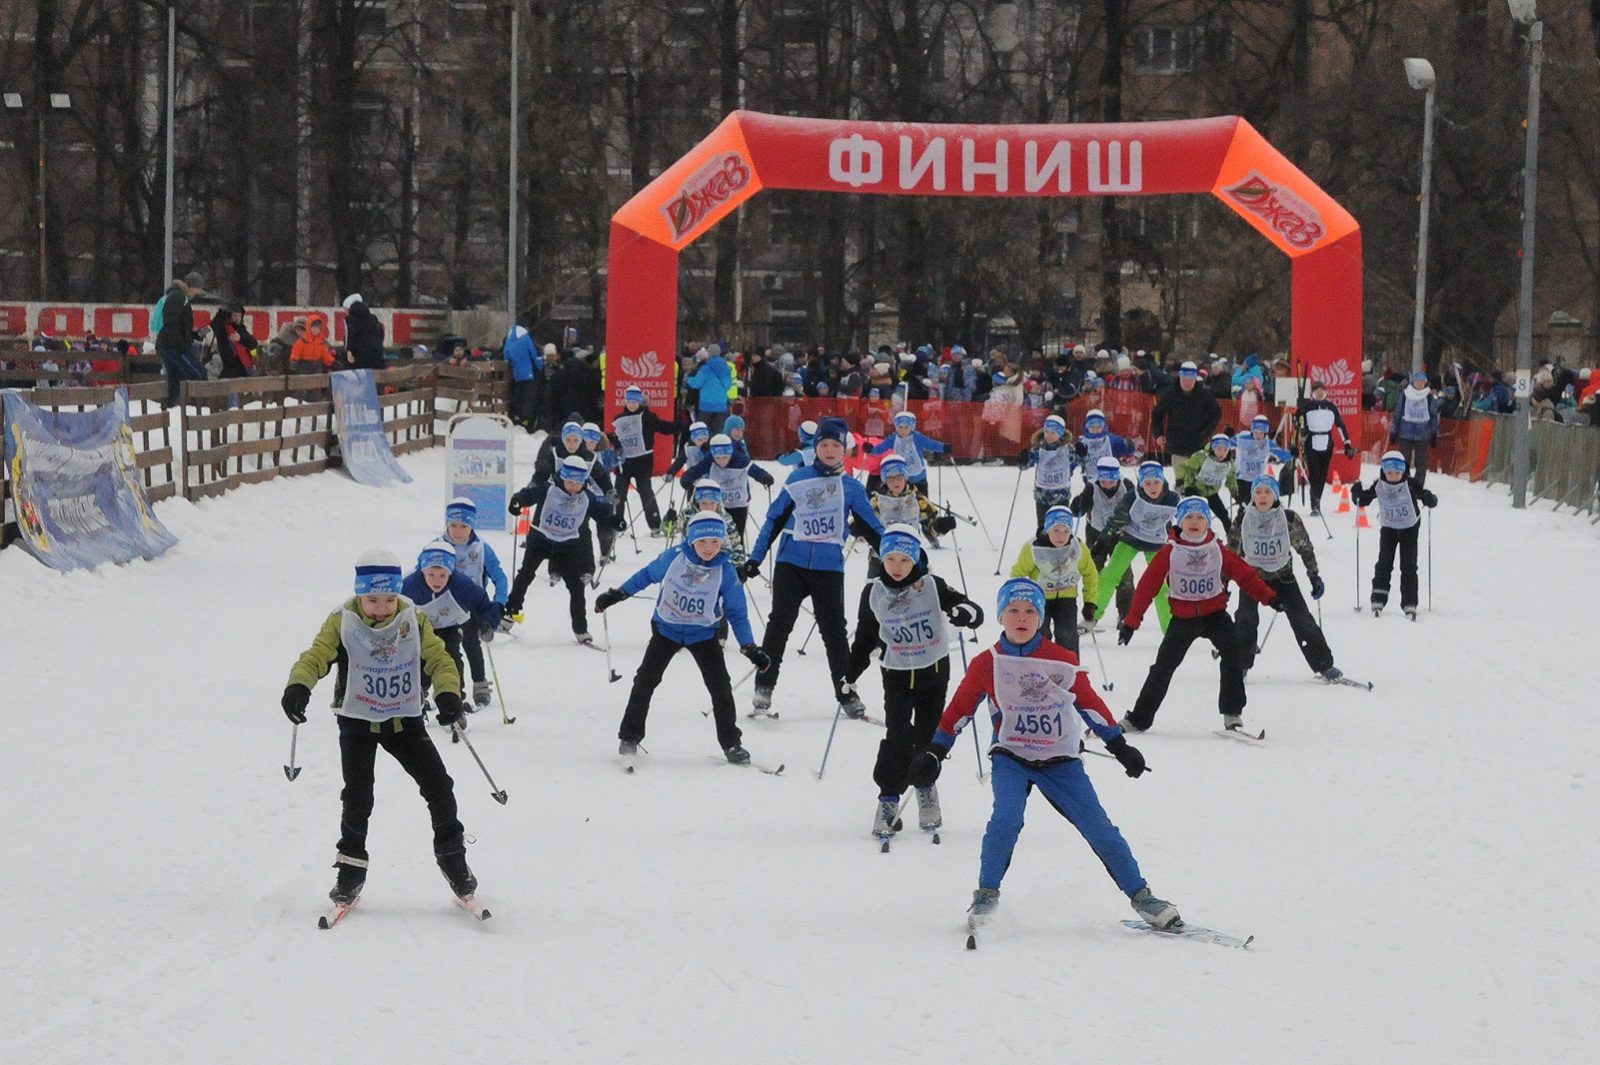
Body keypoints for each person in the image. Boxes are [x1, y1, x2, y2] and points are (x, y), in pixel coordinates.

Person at [906, 577, 1179, 934]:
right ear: (1001, 616)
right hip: (1011, 756)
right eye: (1013, 611)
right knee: (1005, 821)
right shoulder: (988, 663)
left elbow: (1090, 704)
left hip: (1060, 760)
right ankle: (986, 895)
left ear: (1040, 617)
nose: (1021, 618)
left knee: (1099, 828)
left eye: (1029, 611)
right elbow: (959, 709)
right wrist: (935, 751)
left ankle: (1143, 897)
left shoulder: (1061, 661)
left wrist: (1119, 745)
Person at [279, 549, 479, 906]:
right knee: (357, 797)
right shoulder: (342, 619)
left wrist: (449, 693)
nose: (382, 608)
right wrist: (299, 686)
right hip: (356, 721)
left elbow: (439, 659)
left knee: (439, 787)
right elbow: (316, 655)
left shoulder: (413, 617)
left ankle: (454, 862)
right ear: (359, 594)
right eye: (372, 600)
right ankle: (350, 872)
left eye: (389, 599)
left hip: (403, 720)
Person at [845, 525, 982, 845]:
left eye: (904, 560)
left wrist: (965, 613)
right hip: (895, 673)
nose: (897, 566)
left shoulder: (932, 585)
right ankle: (888, 798)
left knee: (928, 738)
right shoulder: (874, 593)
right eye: (890, 559)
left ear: (916, 560)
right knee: (897, 736)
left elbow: (974, 612)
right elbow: (864, 638)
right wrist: (849, 675)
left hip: (933, 671)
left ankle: (924, 787)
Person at [739, 416, 886, 716]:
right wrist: (755, 558)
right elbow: (773, 521)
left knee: (834, 633)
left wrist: (904, 555)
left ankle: (846, 694)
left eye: (836, 445)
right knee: (779, 626)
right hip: (790, 564)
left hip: (828, 568)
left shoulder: (851, 488)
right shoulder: (798, 479)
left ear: (844, 450)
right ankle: (764, 687)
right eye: (824, 445)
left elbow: (875, 529)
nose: (830, 450)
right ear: (816, 447)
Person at [595, 513, 767, 765]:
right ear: (692, 540)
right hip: (667, 630)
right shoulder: (675, 557)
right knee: (645, 681)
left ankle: (732, 744)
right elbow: (646, 575)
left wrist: (749, 646)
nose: (708, 548)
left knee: (720, 688)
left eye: (715, 542)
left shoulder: (726, 571)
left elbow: (738, 613)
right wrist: (618, 594)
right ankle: (629, 737)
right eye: (702, 542)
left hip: (703, 635)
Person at [1116, 497, 1280, 735]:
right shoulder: (1170, 552)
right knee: (1163, 667)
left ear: (1208, 522)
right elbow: (1146, 587)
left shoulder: (1217, 550)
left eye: (1200, 517)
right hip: (1183, 618)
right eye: (1189, 517)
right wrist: (1131, 623)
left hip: (1215, 614)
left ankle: (1232, 713)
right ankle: (1138, 719)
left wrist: (1270, 597)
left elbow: (1245, 575)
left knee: (1233, 653)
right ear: (1180, 522)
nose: (1194, 522)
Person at [1228, 476, 1342, 680]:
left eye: (1267, 492)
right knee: (1245, 619)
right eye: (1258, 492)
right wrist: (1223, 581)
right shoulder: (1243, 520)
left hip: (1283, 577)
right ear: (1253, 496)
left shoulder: (1288, 519)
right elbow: (1230, 553)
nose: (1262, 497)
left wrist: (1313, 575)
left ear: (1275, 495)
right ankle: (1240, 664)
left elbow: (1304, 547)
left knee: (1302, 620)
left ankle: (1324, 664)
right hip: (1252, 578)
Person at [504, 455, 626, 643]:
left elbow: (601, 513)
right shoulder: (549, 489)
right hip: (540, 539)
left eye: (578, 483)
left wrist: (614, 521)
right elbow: (530, 494)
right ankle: (510, 613)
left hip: (566, 546)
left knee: (576, 587)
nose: (573, 487)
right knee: (525, 575)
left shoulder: (587, 498)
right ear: (562, 478)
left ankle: (580, 628)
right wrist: (517, 501)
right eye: (569, 482)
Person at [400, 540, 502, 713]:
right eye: (431, 574)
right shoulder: (410, 585)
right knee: (421, 659)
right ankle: (419, 694)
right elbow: (395, 607)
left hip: (450, 624)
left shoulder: (460, 584)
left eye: (442, 575)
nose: (437, 581)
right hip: (421, 627)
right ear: (423, 571)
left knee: (452, 656)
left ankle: (455, 696)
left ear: (450, 572)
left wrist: (487, 623)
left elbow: (483, 603)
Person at [1093, 461, 1179, 635]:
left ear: (1163, 482)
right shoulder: (1132, 497)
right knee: (1110, 575)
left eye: (1156, 482)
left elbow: (1183, 521)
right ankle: (1092, 615)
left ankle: (1170, 627)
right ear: (1141, 484)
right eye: (1147, 483)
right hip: (1130, 540)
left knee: (1160, 585)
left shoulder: (1172, 499)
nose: (1152, 487)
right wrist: (1102, 543)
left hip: (1156, 544)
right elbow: (1116, 520)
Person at [1350, 450, 1437, 620]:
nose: (1393, 477)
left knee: (1409, 565)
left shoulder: (1410, 484)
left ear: (1403, 471)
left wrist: (1429, 498)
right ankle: (1378, 598)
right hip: (1389, 528)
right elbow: (1365, 499)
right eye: (1389, 473)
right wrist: (1357, 494)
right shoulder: (1380, 485)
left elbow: (1423, 494)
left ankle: (1409, 602)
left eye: (1397, 473)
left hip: (1409, 528)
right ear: (1384, 472)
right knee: (1384, 563)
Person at [443, 497, 510, 708]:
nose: (457, 531)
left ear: (472, 526)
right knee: (448, 650)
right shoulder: (438, 547)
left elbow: (500, 578)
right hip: (444, 609)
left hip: (472, 608)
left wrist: (498, 604)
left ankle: (480, 684)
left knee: (472, 645)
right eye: (453, 525)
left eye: (463, 526)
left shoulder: (482, 549)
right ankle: (452, 690)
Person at [1009, 506, 1099, 652]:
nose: (1061, 536)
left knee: (1067, 635)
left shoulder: (1077, 547)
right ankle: (1040, 662)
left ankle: (1070, 664)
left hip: (1067, 598)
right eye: (1056, 530)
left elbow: (1090, 573)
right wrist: (1020, 600)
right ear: (1047, 529)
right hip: (1039, 599)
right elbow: (1017, 574)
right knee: (1040, 634)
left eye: (1066, 531)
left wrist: (1090, 602)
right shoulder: (1034, 548)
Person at [1072, 456, 1134, 628]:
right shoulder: (1091, 487)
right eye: (1104, 480)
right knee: (1093, 573)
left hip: (1121, 536)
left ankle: (1125, 614)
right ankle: (1091, 613)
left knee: (1124, 576)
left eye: (1112, 480)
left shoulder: (1127, 485)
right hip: (1096, 535)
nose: (1107, 484)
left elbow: (1137, 507)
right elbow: (1077, 510)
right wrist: (1077, 505)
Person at [681, 432, 775, 543]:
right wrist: (687, 478)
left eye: (725, 457)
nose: (721, 461)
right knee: (718, 536)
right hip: (718, 506)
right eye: (718, 458)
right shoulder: (709, 460)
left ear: (730, 453)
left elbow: (754, 470)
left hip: (738, 505)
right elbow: (698, 469)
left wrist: (764, 477)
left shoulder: (740, 459)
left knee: (737, 536)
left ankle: (738, 553)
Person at [611, 385, 674, 537]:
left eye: (635, 402)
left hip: (643, 463)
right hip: (624, 464)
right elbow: (616, 439)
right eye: (629, 402)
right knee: (619, 494)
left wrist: (680, 427)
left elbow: (664, 427)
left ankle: (655, 525)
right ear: (625, 402)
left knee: (646, 493)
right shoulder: (619, 419)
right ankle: (616, 525)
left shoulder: (648, 417)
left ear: (640, 402)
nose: (632, 405)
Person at [861, 456, 952, 559]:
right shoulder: (877, 501)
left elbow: (931, 526)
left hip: (910, 552)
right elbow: (865, 522)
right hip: (882, 553)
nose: (895, 482)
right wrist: (857, 526)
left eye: (899, 477)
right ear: (885, 480)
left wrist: (941, 525)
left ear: (905, 477)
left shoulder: (917, 499)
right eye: (890, 478)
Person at [1296, 379, 1356, 515]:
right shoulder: (1308, 407)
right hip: (1311, 442)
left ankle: (1318, 498)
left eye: (1321, 390)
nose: (1319, 392)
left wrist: (1347, 443)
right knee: (1314, 473)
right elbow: (1299, 424)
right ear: (1312, 392)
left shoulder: (1331, 407)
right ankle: (1314, 501)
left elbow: (1340, 426)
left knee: (1322, 474)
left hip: (1327, 442)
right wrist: (1299, 410)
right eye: (1317, 390)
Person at [1149, 360, 1220, 466]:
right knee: (1180, 475)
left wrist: (1206, 431)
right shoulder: (1170, 394)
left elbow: (1216, 413)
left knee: (1198, 476)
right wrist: (1159, 434)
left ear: (1195, 379)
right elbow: (1157, 415)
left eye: (1190, 380)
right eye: (1184, 379)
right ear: (1180, 378)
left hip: (1198, 445)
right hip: (1177, 444)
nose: (1187, 383)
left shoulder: (1204, 394)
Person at [153, 274, 206, 408]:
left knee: (175, 377)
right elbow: (172, 323)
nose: (198, 292)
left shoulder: (179, 297)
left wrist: (195, 335)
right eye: (198, 289)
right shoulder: (178, 297)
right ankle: (202, 409)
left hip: (168, 345)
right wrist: (180, 345)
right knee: (199, 373)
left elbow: (179, 325)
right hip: (174, 346)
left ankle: (169, 408)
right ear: (193, 287)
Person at [868, 410, 946, 497]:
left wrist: (943, 447)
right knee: (904, 500)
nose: (903, 430)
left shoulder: (917, 437)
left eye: (906, 427)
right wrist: (871, 450)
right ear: (896, 427)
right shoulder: (893, 438)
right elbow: (881, 448)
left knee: (922, 499)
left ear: (911, 427)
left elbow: (930, 444)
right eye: (900, 427)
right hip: (902, 478)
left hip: (918, 477)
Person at [1019, 414, 1076, 529]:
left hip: (1061, 495)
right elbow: (1024, 466)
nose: (1048, 436)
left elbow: (1078, 460)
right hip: (1042, 496)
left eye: (1053, 433)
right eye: (1046, 432)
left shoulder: (1068, 449)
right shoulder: (1038, 449)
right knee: (1043, 527)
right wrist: (1023, 460)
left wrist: (1082, 453)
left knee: (1061, 526)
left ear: (1060, 434)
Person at [1176, 432, 1237, 534]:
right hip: (1194, 488)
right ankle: (1186, 534)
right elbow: (1185, 467)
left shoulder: (1228, 464)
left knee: (1223, 514)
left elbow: (1231, 477)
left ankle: (1232, 536)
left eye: (1225, 450)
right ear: (1213, 448)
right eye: (1218, 449)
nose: (1221, 453)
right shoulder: (1202, 457)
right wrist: (1180, 480)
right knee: (1196, 513)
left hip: (1211, 492)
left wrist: (1234, 491)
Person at [1389, 370, 1440, 490]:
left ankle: (1418, 487)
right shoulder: (1405, 395)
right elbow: (1398, 413)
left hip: (1423, 435)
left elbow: (1433, 416)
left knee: (1421, 463)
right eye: (1418, 381)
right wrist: (1394, 431)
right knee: (1403, 462)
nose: (1420, 384)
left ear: (1425, 383)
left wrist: (1434, 433)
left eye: (1422, 381)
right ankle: (1402, 485)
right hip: (1405, 433)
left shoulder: (1429, 397)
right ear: (1413, 382)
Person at [502, 320, 542, 432]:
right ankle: (526, 424)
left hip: (516, 376)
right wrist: (540, 366)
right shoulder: (526, 338)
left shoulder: (509, 339)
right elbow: (534, 354)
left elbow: (506, 356)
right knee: (528, 402)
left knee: (518, 399)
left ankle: (517, 421)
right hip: (529, 375)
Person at [686, 346, 734, 433]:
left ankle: (705, 442)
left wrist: (689, 379)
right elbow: (728, 385)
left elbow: (696, 384)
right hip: (721, 405)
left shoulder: (705, 368)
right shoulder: (726, 368)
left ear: (709, 353)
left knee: (703, 431)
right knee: (718, 431)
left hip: (706, 405)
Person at [342, 294, 386, 370]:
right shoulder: (373, 318)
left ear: (350, 309)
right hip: (378, 358)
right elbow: (381, 334)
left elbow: (350, 337)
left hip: (360, 361)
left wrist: (348, 351)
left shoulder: (351, 320)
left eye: (345, 310)